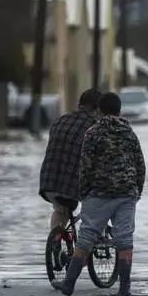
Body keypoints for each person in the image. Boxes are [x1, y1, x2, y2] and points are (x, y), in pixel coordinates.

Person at [52, 92, 146, 296]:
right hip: (126, 193)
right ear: (119, 110)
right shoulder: (129, 132)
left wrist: (84, 191)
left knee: (86, 237)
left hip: (99, 193)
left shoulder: (93, 132)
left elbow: (85, 166)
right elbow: (140, 164)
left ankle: (69, 283)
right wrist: (137, 190)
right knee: (124, 240)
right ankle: (124, 290)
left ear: (100, 110)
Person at [39, 88, 101, 231]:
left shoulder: (60, 120)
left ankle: (54, 239)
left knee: (61, 210)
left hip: (47, 183)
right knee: (96, 206)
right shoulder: (95, 127)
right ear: (96, 108)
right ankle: (87, 245)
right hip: (71, 187)